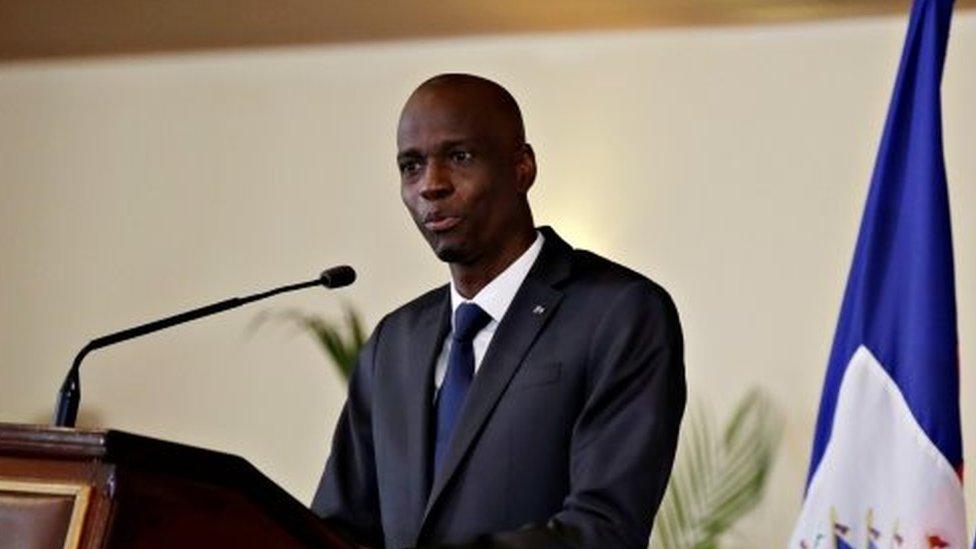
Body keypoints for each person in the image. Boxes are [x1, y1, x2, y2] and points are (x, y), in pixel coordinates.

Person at [312, 73, 686, 549]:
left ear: (522, 167)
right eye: (411, 166)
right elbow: (335, 528)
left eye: (459, 157)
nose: (431, 185)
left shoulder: (619, 314)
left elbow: (605, 528)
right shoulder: (394, 343)